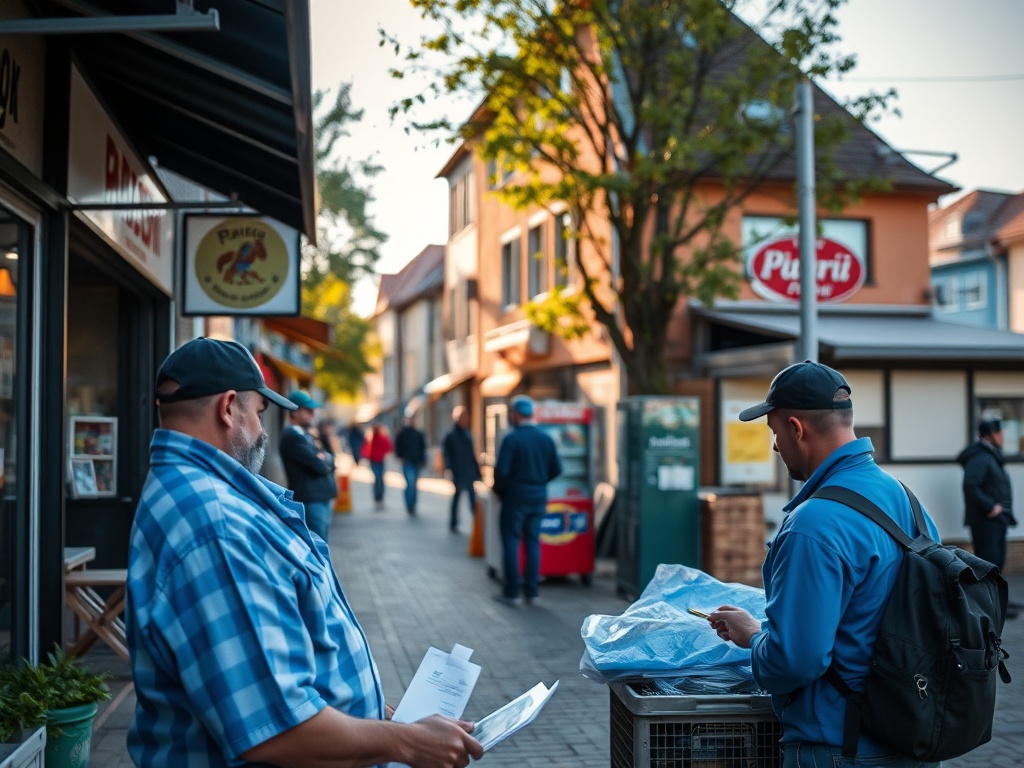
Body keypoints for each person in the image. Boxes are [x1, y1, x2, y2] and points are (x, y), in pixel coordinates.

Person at [126, 337, 482, 768]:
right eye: (259, 414)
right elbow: (276, 730)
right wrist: (405, 742)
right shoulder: (217, 527)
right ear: (227, 408)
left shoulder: (199, 496)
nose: (261, 432)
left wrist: (383, 720)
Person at [706, 360, 942, 767]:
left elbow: (794, 661)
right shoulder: (905, 498)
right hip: (913, 736)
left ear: (797, 429)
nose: (776, 445)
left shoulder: (813, 524)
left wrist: (753, 637)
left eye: (775, 432)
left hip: (838, 749)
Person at [492, 395, 561, 606]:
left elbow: (501, 472)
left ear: (516, 413)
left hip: (515, 498)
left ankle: (512, 592)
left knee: (511, 542)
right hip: (538, 497)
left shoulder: (511, 439)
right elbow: (556, 469)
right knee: (533, 543)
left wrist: (500, 491)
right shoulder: (545, 439)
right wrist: (539, 483)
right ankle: (532, 592)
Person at [959, 418, 1020, 617]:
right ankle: (988, 607)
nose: (1003, 436)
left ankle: (999, 602)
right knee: (988, 563)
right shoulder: (981, 456)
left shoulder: (990, 454)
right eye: (999, 432)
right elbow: (971, 485)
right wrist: (991, 506)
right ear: (989, 435)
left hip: (996, 520)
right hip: (986, 520)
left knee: (997, 562)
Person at [278, 391, 337, 541]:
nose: (313, 414)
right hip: (312, 501)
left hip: (320, 499)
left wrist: (326, 459)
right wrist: (325, 460)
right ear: (295, 412)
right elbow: (320, 466)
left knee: (322, 543)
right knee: (318, 546)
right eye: (308, 411)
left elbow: (330, 458)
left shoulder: (305, 435)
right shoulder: (292, 437)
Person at [443, 406, 482, 533]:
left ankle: (477, 525)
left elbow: (471, 454)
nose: (466, 420)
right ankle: (453, 522)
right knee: (457, 497)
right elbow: (447, 454)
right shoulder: (451, 435)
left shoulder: (467, 434)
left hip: (468, 471)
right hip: (458, 471)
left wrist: (477, 471)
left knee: (472, 498)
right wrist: (450, 468)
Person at [394, 416, 427, 516]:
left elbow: (422, 448)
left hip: (416, 462)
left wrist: (423, 460)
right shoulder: (402, 433)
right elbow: (397, 446)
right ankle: (409, 505)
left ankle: (412, 505)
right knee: (410, 484)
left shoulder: (418, 434)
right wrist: (400, 456)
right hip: (407, 462)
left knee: (414, 485)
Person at [365, 422, 393, 508]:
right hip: (373, 461)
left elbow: (388, 447)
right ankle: (377, 497)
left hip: (380, 461)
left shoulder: (382, 437)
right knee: (377, 478)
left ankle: (380, 497)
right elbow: (366, 449)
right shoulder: (371, 438)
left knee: (380, 479)